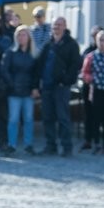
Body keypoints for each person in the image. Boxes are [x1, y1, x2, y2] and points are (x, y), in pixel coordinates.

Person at [32, 16, 81, 157]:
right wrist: (36, 85)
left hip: (61, 87)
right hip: (47, 87)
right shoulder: (48, 44)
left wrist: (65, 80)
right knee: (47, 118)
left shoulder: (71, 44)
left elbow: (75, 65)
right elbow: (39, 66)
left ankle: (67, 147)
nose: (56, 27)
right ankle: (50, 146)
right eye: (54, 25)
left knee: (63, 117)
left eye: (59, 25)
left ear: (65, 26)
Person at [2, 25, 39, 156]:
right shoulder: (10, 53)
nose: (21, 37)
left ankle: (28, 144)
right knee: (13, 119)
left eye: (24, 34)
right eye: (19, 35)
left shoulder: (33, 54)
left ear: (29, 37)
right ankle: (12, 144)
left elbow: (36, 73)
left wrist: (35, 87)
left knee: (28, 119)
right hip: (14, 91)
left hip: (28, 91)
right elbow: (5, 70)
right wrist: (12, 84)